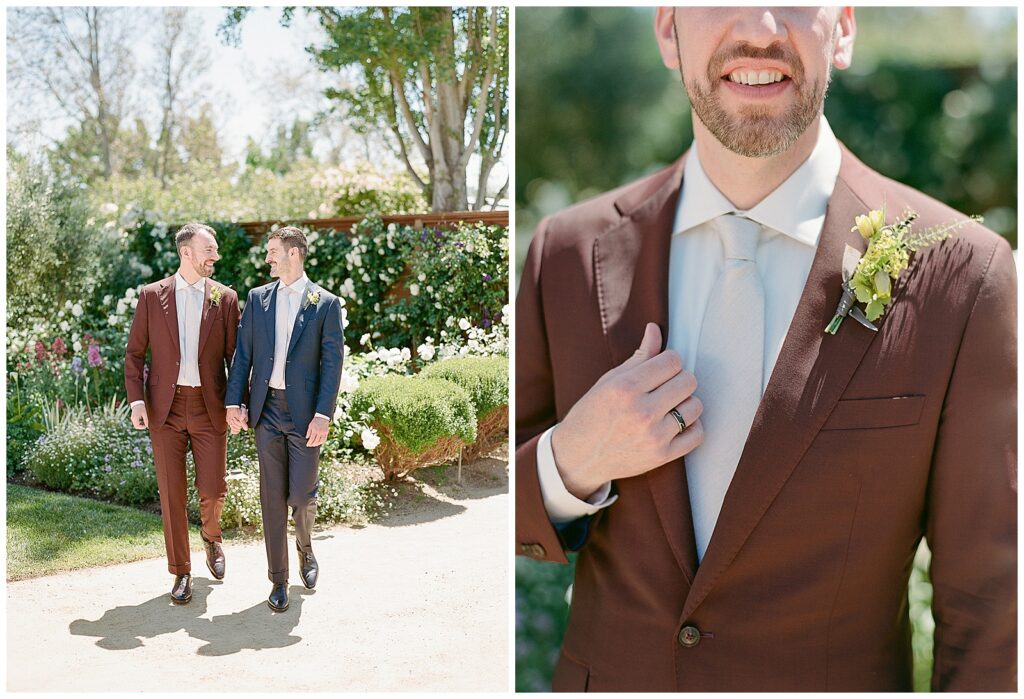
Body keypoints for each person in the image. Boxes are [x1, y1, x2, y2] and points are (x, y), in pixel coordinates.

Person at [515, 7, 1016, 692]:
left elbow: (991, 608)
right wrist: (567, 460)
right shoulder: (565, 255)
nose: (758, 24)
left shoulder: (965, 275)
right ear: (668, 31)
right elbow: (487, 504)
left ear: (843, 28)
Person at [225, 226, 345, 612]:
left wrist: (323, 414)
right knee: (272, 499)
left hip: (306, 414)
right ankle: (278, 580)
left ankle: (306, 549)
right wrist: (235, 403)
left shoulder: (324, 303)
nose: (268, 258)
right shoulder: (258, 299)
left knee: (302, 496)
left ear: (294, 253)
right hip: (267, 412)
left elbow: (332, 364)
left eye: (273, 251)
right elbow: (243, 355)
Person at [125, 222, 240, 604]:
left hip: (210, 409)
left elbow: (235, 360)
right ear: (186, 252)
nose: (216, 256)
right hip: (165, 411)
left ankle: (211, 535)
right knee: (172, 494)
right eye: (210, 249)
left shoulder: (224, 298)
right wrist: (138, 401)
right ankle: (181, 572)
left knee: (212, 489)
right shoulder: (151, 296)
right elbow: (134, 354)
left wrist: (236, 404)